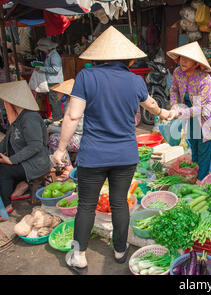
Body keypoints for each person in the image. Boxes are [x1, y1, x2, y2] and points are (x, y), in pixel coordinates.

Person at [51, 26, 177, 274]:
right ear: (129, 59)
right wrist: (165, 112)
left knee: (86, 205)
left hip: (93, 155)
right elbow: (151, 104)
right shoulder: (135, 80)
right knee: (120, 203)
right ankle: (120, 251)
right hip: (125, 155)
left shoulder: (87, 77)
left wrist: (60, 150)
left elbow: (73, 115)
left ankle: (79, 256)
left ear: (98, 56)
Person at [167, 41, 211, 182]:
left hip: (206, 116)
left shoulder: (204, 78)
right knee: (194, 147)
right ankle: (193, 176)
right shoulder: (177, 72)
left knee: (203, 150)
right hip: (189, 114)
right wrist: (174, 105)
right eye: (181, 57)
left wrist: (178, 113)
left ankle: (201, 180)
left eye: (188, 59)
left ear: (196, 63)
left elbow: (199, 108)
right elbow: (173, 89)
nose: (183, 61)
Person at [0, 80, 52, 214]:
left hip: (36, 163)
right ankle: (19, 187)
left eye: (5, 102)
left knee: (3, 170)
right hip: (24, 161)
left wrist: (11, 160)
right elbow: (6, 141)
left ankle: (6, 206)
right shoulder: (18, 119)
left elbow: (35, 146)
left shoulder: (30, 118)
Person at [47, 79, 83, 181]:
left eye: (58, 92)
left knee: (54, 138)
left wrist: (52, 128)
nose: (56, 94)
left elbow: (77, 128)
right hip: (82, 136)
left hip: (82, 138)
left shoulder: (71, 103)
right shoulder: (71, 101)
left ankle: (68, 168)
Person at [34, 37, 64, 121]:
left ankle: (58, 118)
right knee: (53, 101)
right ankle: (57, 117)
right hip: (52, 81)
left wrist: (41, 68)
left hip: (55, 81)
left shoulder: (54, 56)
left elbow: (55, 69)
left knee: (54, 101)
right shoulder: (50, 55)